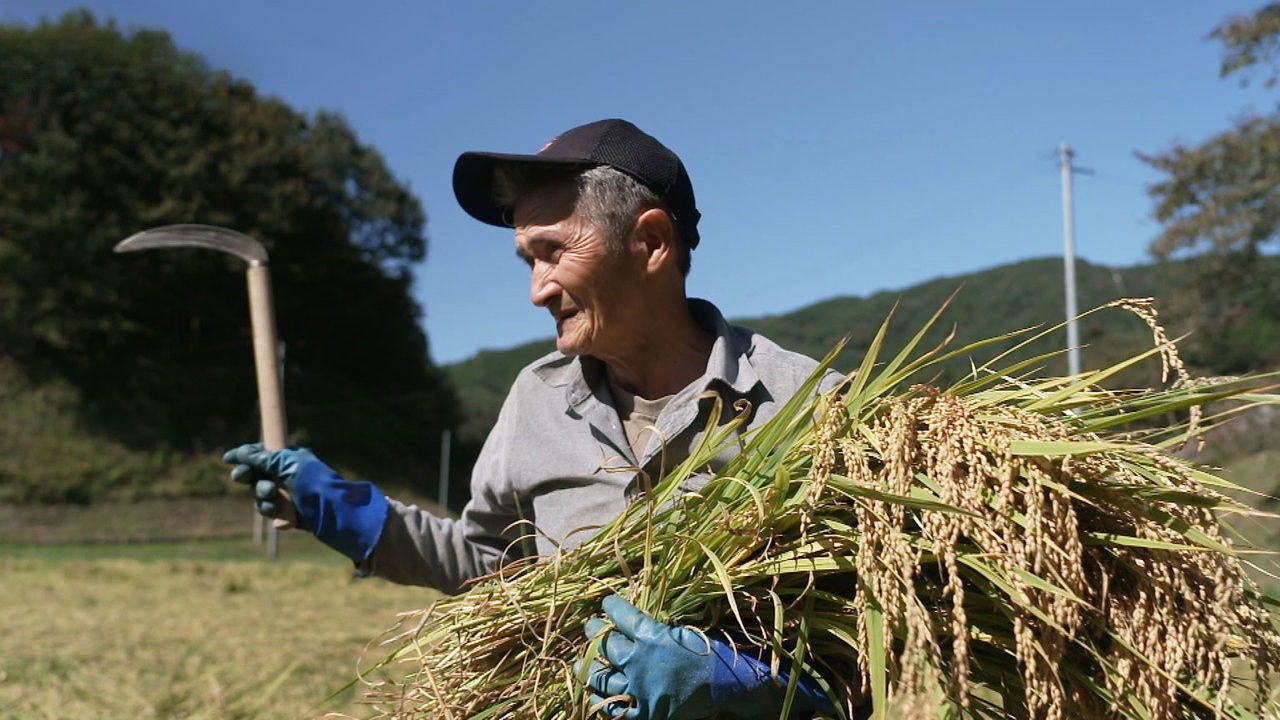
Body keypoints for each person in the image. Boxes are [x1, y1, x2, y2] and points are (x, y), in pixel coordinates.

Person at [224, 119, 839, 719]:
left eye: (554, 252)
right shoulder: (537, 399)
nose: (537, 291)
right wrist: (345, 513)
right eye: (528, 261)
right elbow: (492, 566)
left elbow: (897, 636)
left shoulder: (808, 406)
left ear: (650, 243)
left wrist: (757, 693)